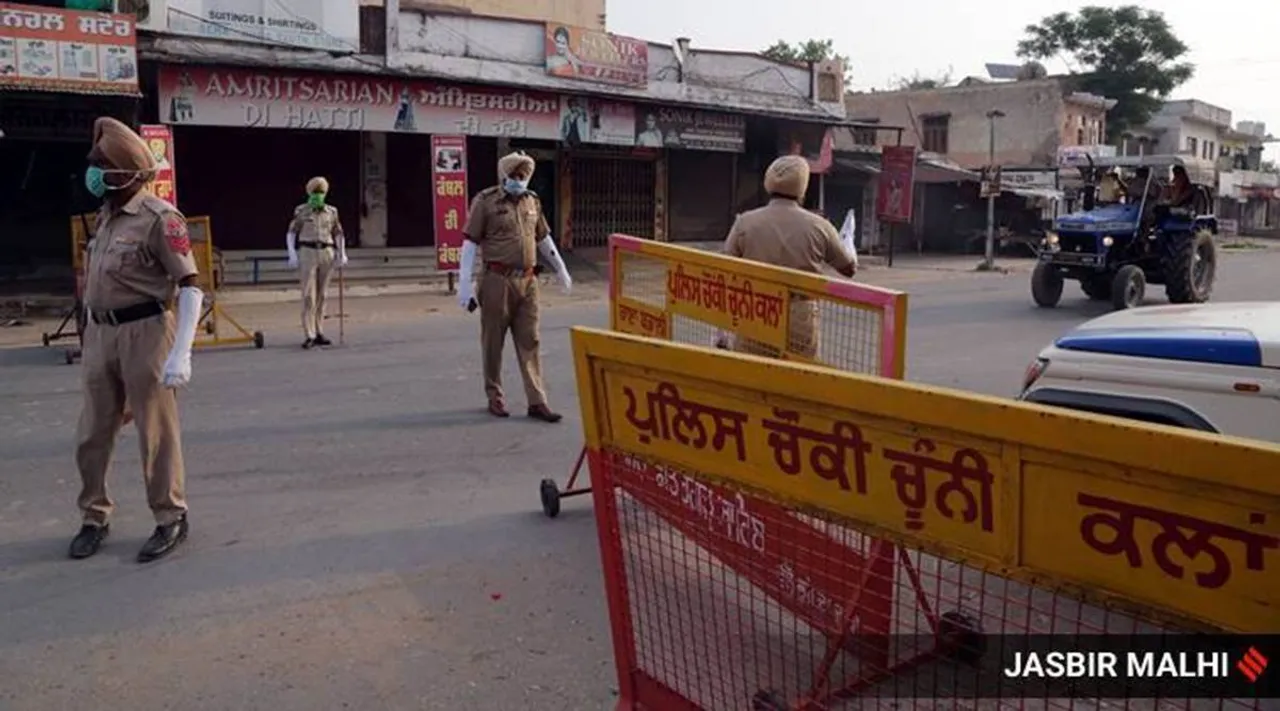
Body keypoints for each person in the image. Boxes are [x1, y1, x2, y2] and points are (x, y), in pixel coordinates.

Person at [69, 117, 204, 563]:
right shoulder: (105, 217)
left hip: (145, 333)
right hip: (100, 333)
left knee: (155, 433)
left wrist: (182, 351)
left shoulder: (159, 219)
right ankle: (94, 517)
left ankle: (170, 517)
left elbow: (190, 285)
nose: (93, 174)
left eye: (101, 166)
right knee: (92, 434)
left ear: (125, 172)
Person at [458, 151, 572, 422]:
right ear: (505, 176)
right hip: (497, 280)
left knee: (530, 340)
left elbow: (543, 238)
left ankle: (537, 401)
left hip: (528, 280)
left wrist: (561, 269)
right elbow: (470, 244)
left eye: (524, 176)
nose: (519, 180)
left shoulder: (532, 201)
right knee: (493, 342)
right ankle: (494, 395)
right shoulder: (485, 202)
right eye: (515, 175)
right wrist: (464, 286)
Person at [720, 155, 857, 358]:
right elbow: (849, 269)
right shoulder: (820, 226)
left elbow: (724, 266)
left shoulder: (745, 222)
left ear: (768, 183)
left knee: (753, 372)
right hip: (800, 314)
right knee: (798, 376)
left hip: (755, 310)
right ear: (802, 187)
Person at [286, 177, 348, 349]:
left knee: (323, 294)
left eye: (321, 192)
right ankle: (309, 333)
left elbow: (338, 232)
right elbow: (291, 232)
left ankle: (320, 330)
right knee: (308, 295)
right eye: (315, 192)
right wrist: (292, 253)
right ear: (309, 193)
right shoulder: (302, 211)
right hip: (308, 251)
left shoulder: (332, 211)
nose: (318, 195)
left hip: (326, 251)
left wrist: (342, 253)